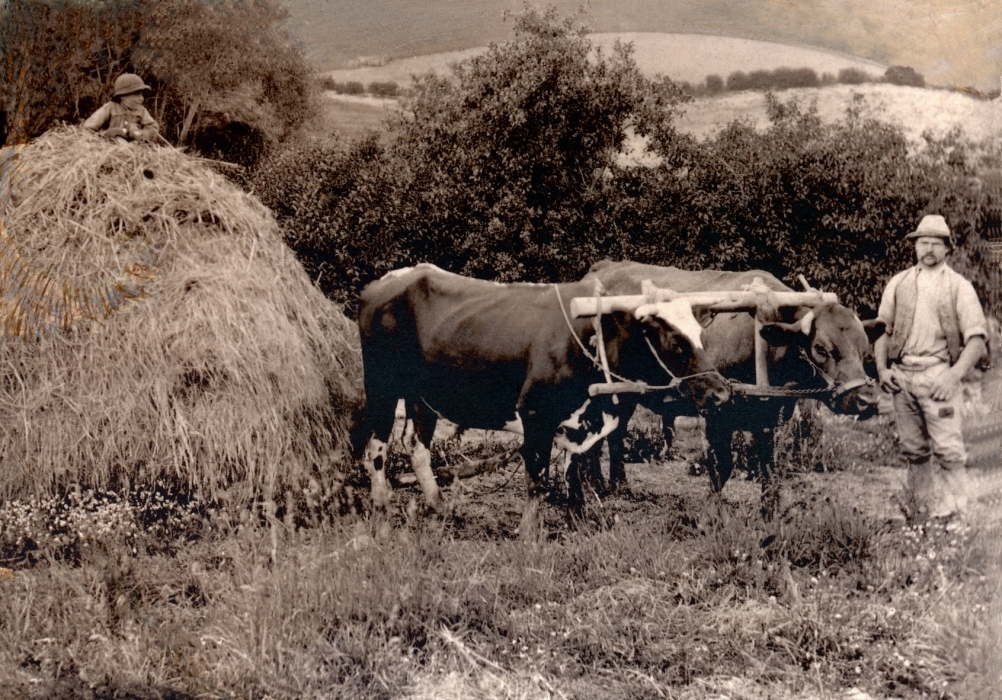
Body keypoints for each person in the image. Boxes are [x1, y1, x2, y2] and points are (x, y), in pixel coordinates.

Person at [875, 214, 988, 520]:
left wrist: (952, 377)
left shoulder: (958, 287)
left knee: (949, 450)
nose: (929, 249)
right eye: (923, 242)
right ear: (914, 246)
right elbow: (881, 332)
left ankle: (956, 514)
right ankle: (920, 513)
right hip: (902, 378)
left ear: (947, 249)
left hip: (938, 377)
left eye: (936, 244)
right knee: (914, 451)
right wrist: (883, 370)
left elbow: (977, 341)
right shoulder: (898, 283)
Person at [83, 73, 159, 143]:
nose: (141, 98)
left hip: (135, 146)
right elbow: (88, 127)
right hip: (111, 145)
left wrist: (142, 134)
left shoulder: (141, 111)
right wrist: (101, 137)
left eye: (142, 95)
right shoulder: (110, 107)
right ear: (122, 96)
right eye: (136, 94)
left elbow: (152, 127)